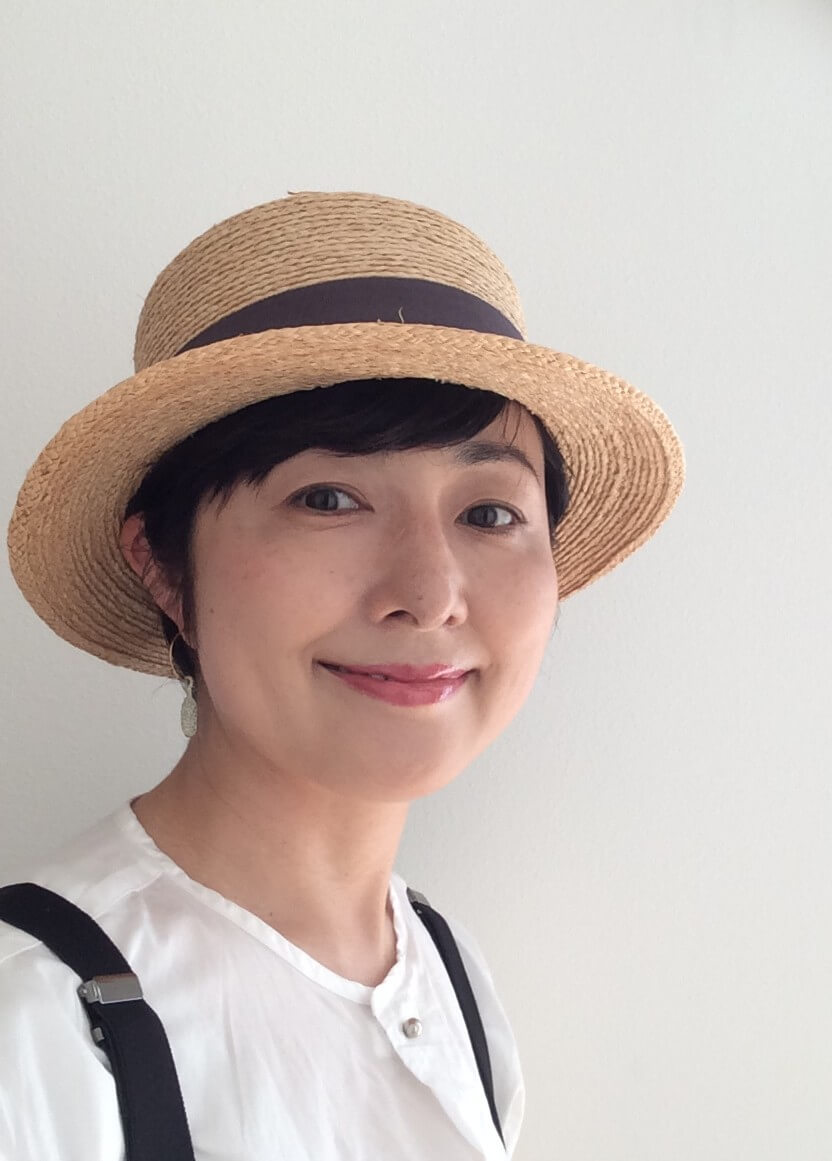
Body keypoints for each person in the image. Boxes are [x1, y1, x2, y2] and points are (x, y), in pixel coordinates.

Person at [0, 191, 685, 1160]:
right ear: (162, 566)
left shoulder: (452, 974)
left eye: (490, 513)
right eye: (328, 498)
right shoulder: (37, 1020)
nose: (429, 595)